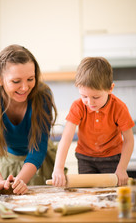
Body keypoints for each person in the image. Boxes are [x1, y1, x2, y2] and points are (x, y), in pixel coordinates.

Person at [0, 44, 57, 195]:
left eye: (30, 79)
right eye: (16, 81)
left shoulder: (43, 95)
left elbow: (38, 147)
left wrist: (20, 181)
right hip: (3, 162)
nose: (25, 87)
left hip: (37, 164)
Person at [52, 57, 135, 187]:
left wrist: (122, 168)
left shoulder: (119, 108)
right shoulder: (78, 106)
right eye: (84, 96)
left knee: (111, 194)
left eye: (95, 97)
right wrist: (58, 168)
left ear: (110, 89)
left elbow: (129, 140)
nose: (89, 102)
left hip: (112, 158)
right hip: (85, 158)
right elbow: (66, 137)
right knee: (87, 193)